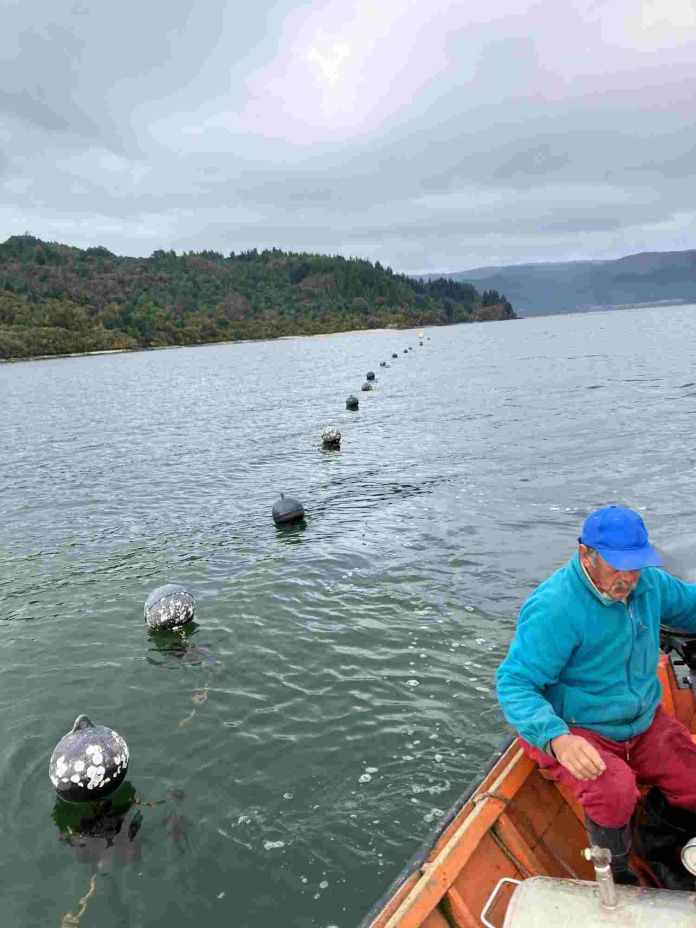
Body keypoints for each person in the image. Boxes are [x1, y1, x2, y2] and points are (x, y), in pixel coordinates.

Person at [496, 505, 696, 887]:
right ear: (586, 553)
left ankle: (652, 837)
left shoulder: (648, 584)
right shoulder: (555, 606)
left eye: (635, 565)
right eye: (616, 566)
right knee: (613, 788)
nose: (628, 578)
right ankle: (618, 872)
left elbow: (690, 604)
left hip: (641, 721)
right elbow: (514, 684)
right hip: (576, 727)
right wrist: (558, 740)